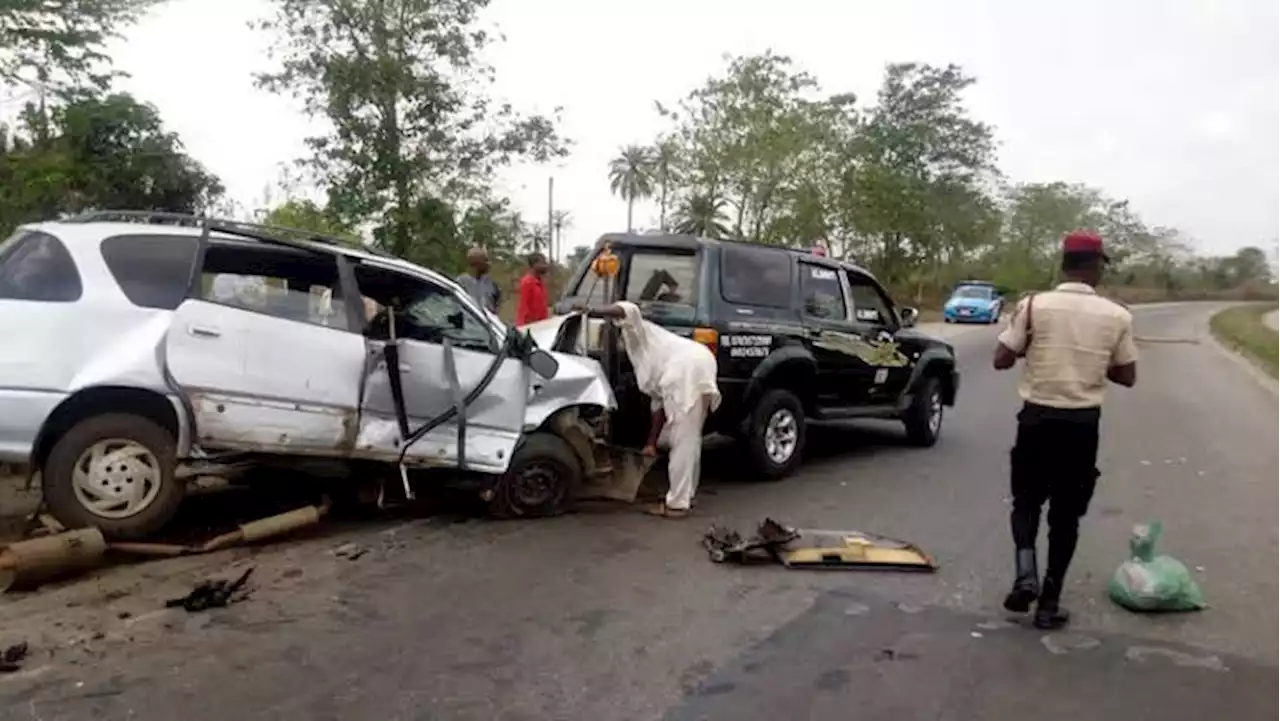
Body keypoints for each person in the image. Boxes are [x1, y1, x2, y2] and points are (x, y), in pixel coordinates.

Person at [992, 230, 1138, 631]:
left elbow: (1000, 359)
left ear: (1064, 264)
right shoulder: (1117, 316)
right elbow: (1128, 376)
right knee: (1065, 516)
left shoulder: (1034, 306)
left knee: (1025, 502)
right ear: (1093, 267)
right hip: (1080, 426)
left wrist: (1029, 346)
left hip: (1036, 420)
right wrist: (1095, 359)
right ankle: (1049, 603)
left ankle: (1026, 573)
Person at [575, 300, 721, 518]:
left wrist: (592, 310)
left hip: (685, 369)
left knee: (682, 441)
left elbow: (628, 309)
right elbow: (658, 406)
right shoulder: (644, 351)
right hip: (698, 363)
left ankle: (677, 505)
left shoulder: (637, 333)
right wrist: (651, 443)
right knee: (690, 438)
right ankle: (685, 495)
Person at [455, 246, 501, 314]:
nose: (488, 264)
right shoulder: (460, 283)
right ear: (477, 263)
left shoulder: (491, 284)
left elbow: (496, 307)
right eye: (485, 260)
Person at [515, 252, 550, 326]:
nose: (545, 266)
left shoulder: (540, 282)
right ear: (534, 264)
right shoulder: (527, 282)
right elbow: (524, 308)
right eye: (543, 263)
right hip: (530, 327)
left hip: (541, 325)